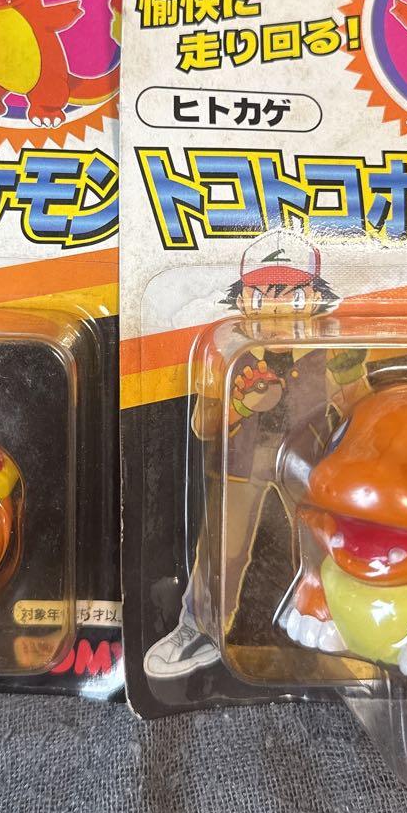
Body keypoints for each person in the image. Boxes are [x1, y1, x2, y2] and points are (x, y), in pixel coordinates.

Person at [144, 229, 370, 681]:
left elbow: (360, 406)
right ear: (243, 299)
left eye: (291, 294)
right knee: (222, 548)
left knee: (326, 539)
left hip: (307, 463)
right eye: (262, 294)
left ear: (313, 297)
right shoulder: (229, 355)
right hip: (241, 463)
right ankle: (200, 628)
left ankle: (343, 617)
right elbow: (202, 426)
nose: (276, 307)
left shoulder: (330, 353)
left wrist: (365, 452)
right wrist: (242, 406)